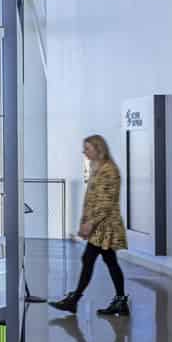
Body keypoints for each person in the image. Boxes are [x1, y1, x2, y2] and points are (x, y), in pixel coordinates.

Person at [51, 135, 129, 316]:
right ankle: (119, 301)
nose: (84, 151)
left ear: (98, 149)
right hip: (98, 225)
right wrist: (85, 223)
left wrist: (90, 224)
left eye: (87, 148)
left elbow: (106, 202)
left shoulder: (109, 170)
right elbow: (92, 200)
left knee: (90, 259)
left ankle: (74, 300)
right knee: (108, 261)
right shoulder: (97, 167)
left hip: (104, 226)